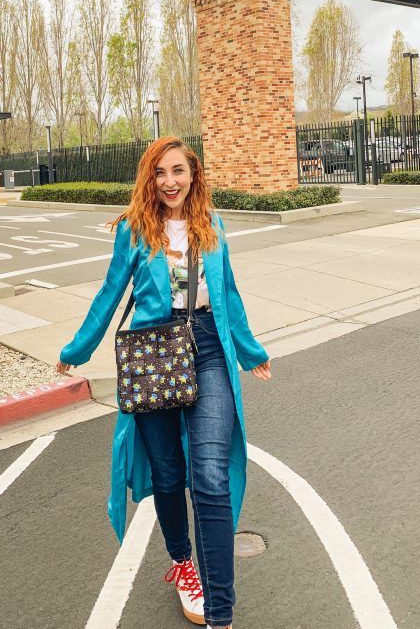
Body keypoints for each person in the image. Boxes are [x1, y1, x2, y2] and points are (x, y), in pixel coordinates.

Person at [57, 136, 272, 629]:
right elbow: (110, 293)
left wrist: (250, 350)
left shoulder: (212, 226)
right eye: (159, 173)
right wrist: (77, 350)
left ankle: (221, 614)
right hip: (153, 351)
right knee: (169, 478)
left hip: (209, 349)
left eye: (178, 171)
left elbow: (229, 294)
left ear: (193, 174)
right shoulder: (135, 230)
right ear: (148, 180)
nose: (169, 182)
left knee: (211, 478)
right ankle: (182, 564)